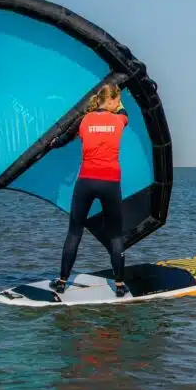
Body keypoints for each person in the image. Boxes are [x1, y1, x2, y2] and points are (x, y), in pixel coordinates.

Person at [48, 84, 130, 297]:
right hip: (110, 182)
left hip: (86, 181)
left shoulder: (83, 120)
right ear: (111, 100)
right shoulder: (119, 120)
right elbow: (123, 111)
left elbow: (63, 139)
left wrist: (52, 143)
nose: (117, 104)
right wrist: (119, 104)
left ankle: (62, 282)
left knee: (75, 231)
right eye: (116, 100)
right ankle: (120, 285)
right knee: (115, 235)